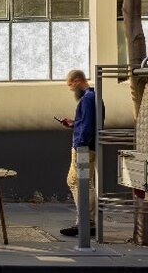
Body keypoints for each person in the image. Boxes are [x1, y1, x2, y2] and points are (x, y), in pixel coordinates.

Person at [59, 69, 97, 237]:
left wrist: (80, 146)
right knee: (82, 182)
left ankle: (85, 222)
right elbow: (87, 123)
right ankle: (87, 221)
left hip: (83, 149)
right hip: (86, 147)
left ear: (77, 80)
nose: (71, 89)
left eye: (71, 85)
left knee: (78, 182)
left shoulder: (87, 99)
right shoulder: (92, 98)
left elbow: (88, 127)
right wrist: (74, 123)